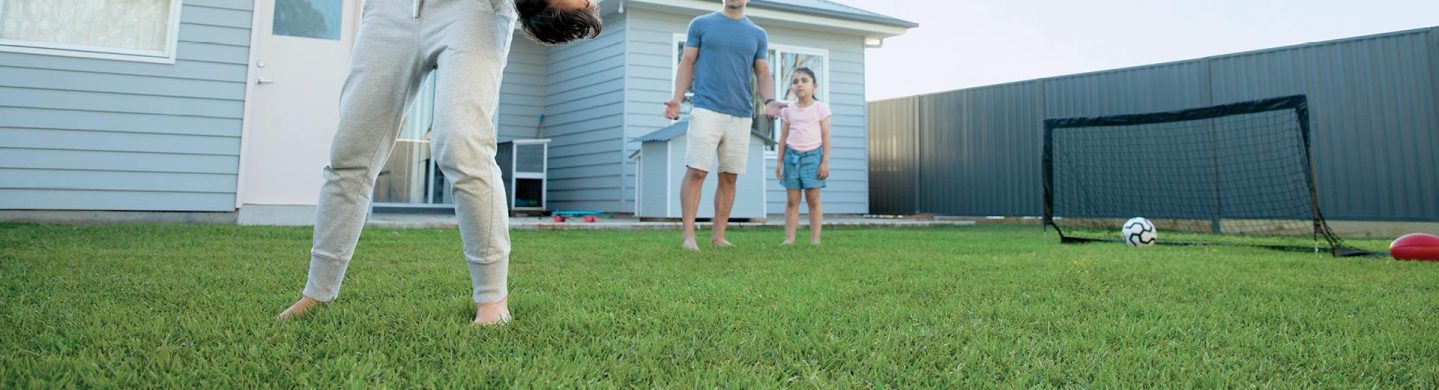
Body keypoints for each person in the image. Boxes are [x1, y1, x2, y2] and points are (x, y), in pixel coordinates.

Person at [278, 0, 602, 325]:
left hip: (471, 12)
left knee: (462, 142)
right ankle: (317, 292)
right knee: (351, 150)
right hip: (392, 11)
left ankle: (492, 301)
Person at [663, 0, 786, 251]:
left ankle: (718, 237)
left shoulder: (757, 34)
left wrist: (770, 101)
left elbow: (762, 73)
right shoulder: (701, 24)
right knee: (696, 171)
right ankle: (689, 237)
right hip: (706, 108)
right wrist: (676, 98)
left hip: (740, 114)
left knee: (729, 176)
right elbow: (687, 62)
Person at [775, 68, 830, 246]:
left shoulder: (821, 108)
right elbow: (783, 137)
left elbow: (826, 136)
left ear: (814, 86)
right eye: (795, 81)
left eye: (804, 80)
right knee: (792, 201)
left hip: (813, 157)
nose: (799, 84)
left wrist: (825, 162)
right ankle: (790, 238)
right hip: (791, 157)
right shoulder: (789, 110)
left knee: (813, 200)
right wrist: (779, 161)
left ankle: (815, 239)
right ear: (792, 87)